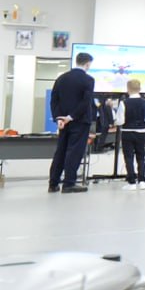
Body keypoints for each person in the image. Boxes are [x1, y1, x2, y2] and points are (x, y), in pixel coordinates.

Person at [48, 52, 95, 193]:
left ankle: (53, 183)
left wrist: (59, 118)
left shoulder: (61, 78)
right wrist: (71, 116)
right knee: (74, 152)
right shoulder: (88, 80)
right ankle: (69, 183)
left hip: (63, 122)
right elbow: (85, 102)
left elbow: (54, 100)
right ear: (87, 64)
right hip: (80, 121)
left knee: (61, 151)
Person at [113, 79, 145, 190]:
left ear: (127, 89)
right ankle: (142, 181)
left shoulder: (124, 103)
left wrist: (116, 122)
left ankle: (131, 182)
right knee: (141, 156)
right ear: (140, 89)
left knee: (128, 157)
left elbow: (120, 121)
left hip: (127, 132)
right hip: (141, 132)